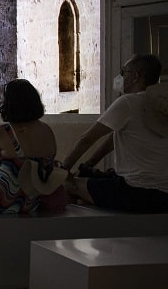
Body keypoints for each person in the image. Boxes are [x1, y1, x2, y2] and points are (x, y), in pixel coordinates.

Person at [61, 54, 168, 212]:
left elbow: (87, 139)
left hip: (136, 191)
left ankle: (76, 235)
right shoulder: (160, 104)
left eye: (124, 72)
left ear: (135, 76)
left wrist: (62, 170)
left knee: (69, 185)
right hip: (163, 193)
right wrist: (90, 163)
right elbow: (115, 136)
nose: (120, 77)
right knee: (94, 180)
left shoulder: (128, 102)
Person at [0, 79, 63, 214]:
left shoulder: (5, 132)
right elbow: (30, 164)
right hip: (34, 201)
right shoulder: (47, 130)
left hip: (5, 200)